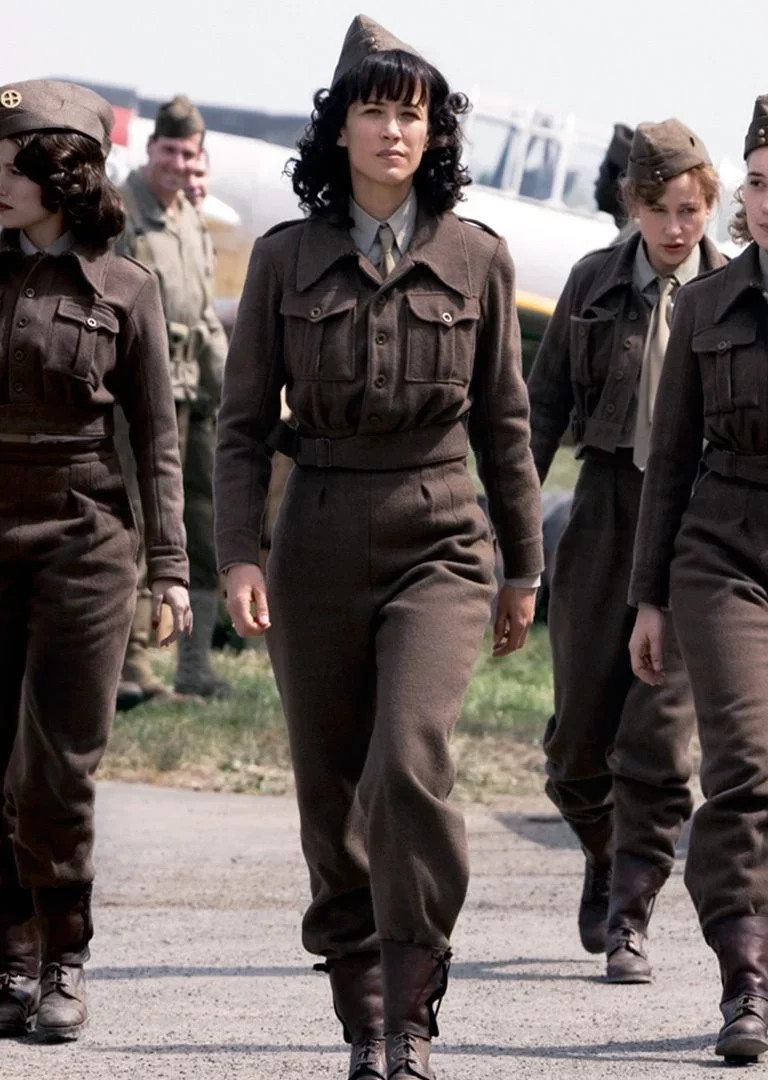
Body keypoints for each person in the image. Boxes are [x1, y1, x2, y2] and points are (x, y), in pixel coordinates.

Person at [214, 15, 543, 1080]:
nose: (393, 130)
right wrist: (239, 552)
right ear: (340, 127)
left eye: (412, 113)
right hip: (313, 535)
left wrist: (525, 566)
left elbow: (506, 426)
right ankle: (365, 1022)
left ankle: (412, 1009)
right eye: (374, 109)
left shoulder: (478, 256)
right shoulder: (285, 257)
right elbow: (240, 427)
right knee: (330, 788)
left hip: (439, 533)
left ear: (434, 131)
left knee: (406, 763)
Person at [0, 79, 190, 1041]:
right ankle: (10, 957)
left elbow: (157, 440)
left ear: (63, 175)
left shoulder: (126, 288)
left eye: (12, 165)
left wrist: (171, 568)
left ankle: (64, 960)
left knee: (61, 769)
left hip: (85, 537)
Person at [526, 120, 726, 984]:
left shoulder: (732, 291)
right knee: (576, 743)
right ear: (631, 204)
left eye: (690, 209)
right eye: (659, 208)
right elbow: (540, 409)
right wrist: (510, 527)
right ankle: (605, 854)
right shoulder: (591, 281)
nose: (675, 227)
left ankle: (630, 917)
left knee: (658, 741)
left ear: (710, 207)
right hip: (604, 509)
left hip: (694, 520)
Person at [629, 94, 768, 1064]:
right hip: (724, 556)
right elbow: (671, 459)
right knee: (745, 769)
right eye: (759, 183)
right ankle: (746, 981)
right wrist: (650, 597)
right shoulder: (707, 306)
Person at [117, 96, 230, 705]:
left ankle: (193, 667)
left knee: (199, 527)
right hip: (138, 394)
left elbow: (206, 316)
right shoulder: (121, 214)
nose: (179, 164)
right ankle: (130, 668)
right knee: (139, 526)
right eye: (170, 151)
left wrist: (233, 392)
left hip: (193, 393)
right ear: (150, 148)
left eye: (189, 154)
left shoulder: (190, 219)